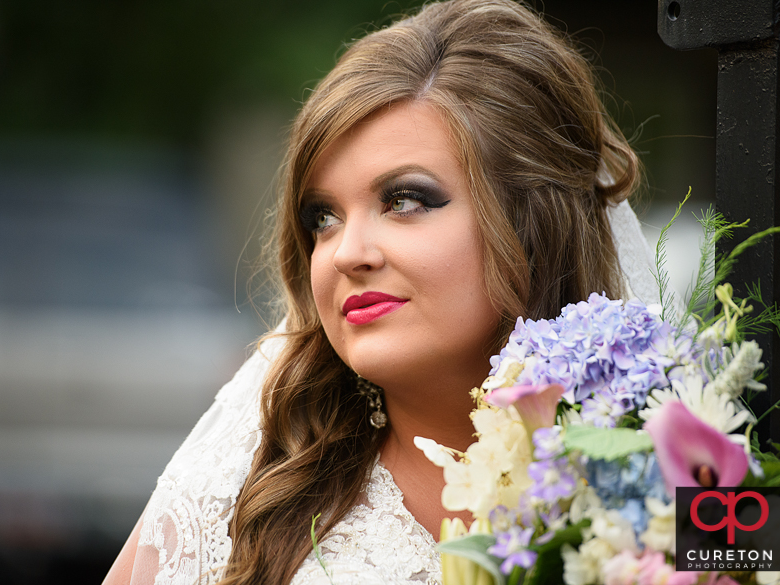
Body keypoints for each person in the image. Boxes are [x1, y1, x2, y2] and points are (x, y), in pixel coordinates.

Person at [103, 0, 659, 583]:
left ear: (532, 225)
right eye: (323, 218)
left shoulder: (663, 458)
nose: (346, 254)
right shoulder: (253, 472)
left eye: (405, 201)